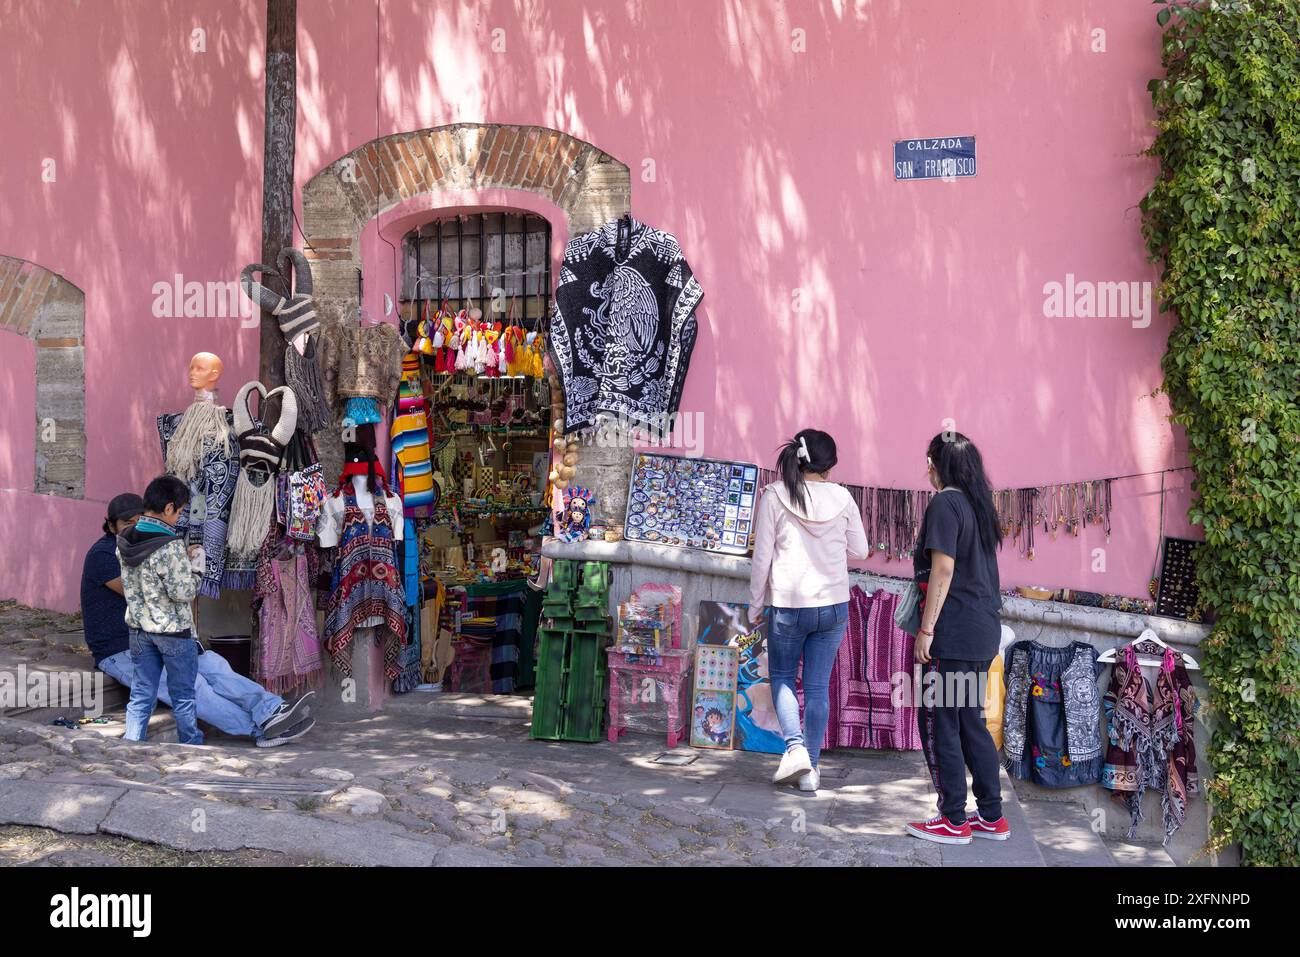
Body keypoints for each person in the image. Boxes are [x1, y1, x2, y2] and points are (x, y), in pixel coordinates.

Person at [87, 480, 314, 746]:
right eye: (128, 523)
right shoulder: (105, 554)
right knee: (193, 690)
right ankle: (259, 729)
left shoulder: (132, 542)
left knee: (216, 667)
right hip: (121, 647)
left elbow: (155, 574)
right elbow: (157, 592)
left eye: (139, 519)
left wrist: (176, 559)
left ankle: (272, 709)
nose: (136, 526)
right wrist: (192, 569)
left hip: (150, 634)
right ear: (111, 525)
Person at [749, 429, 869, 793]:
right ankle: (811, 770)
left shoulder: (774, 495)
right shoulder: (843, 497)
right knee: (817, 687)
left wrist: (756, 605)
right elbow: (861, 550)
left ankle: (795, 749)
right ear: (829, 464)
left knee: (784, 678)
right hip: (833, 604)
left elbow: (762, 559)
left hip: (789, 606)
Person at [905, 432, 1010, 845]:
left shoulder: (946, 503)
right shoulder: (978, 506)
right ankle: (991, 816)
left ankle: (952, 817)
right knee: (971, 723)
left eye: (928, 460)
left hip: (955, 631)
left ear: (939, 463)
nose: (925, 469)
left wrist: (927, 629)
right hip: (982, 630)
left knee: (941, 722)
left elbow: (943, 571)